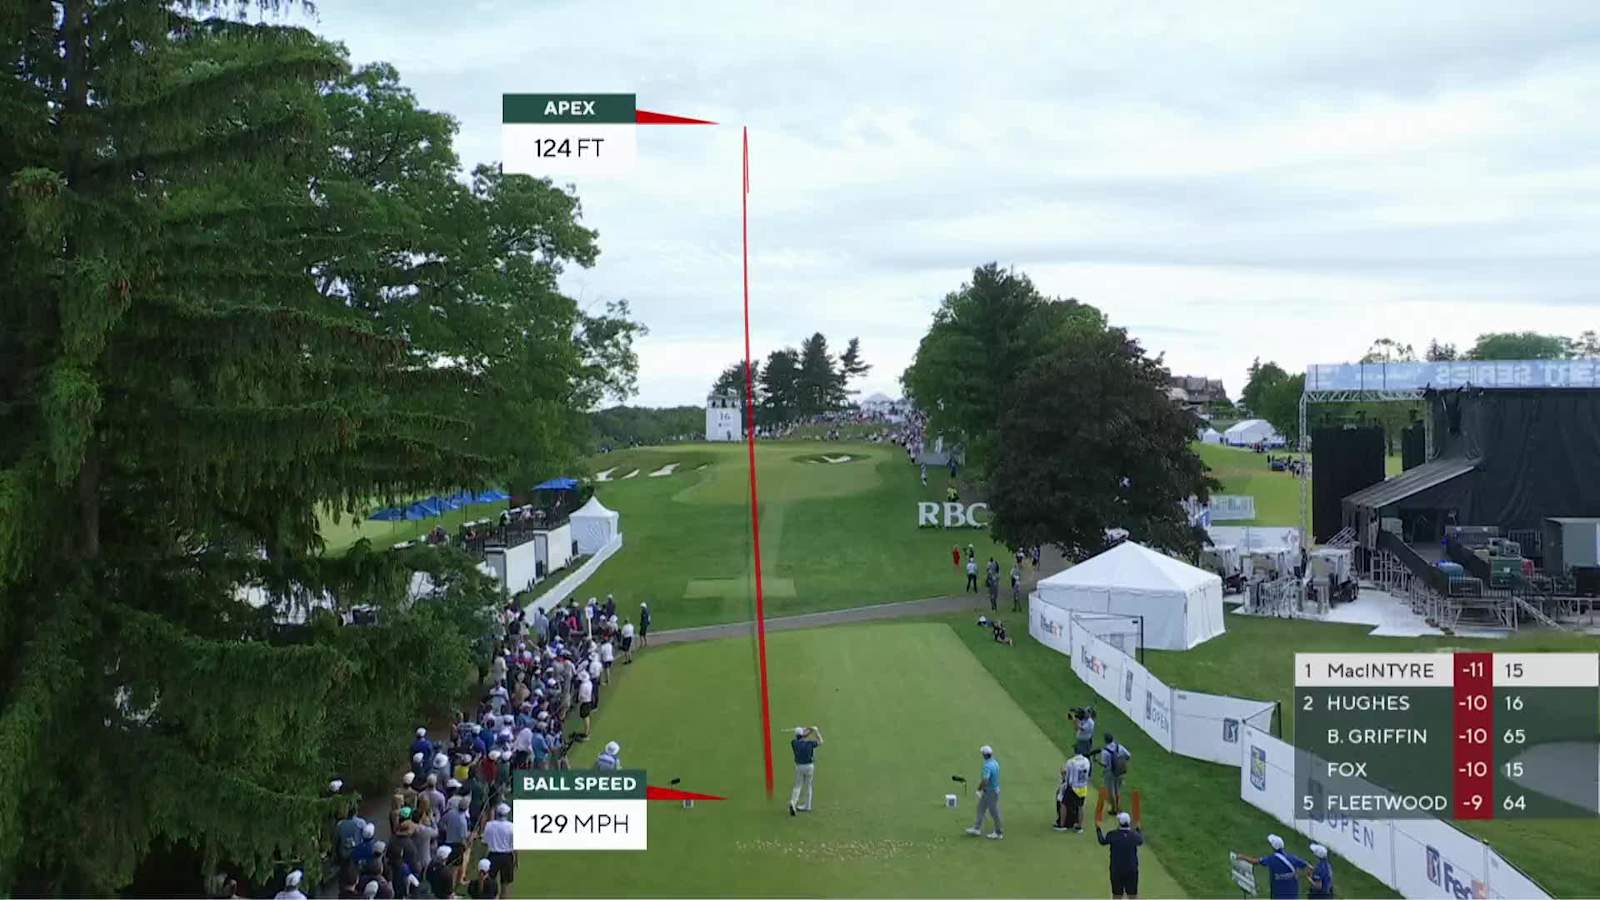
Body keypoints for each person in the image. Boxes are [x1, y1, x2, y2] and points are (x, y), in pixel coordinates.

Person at [1236, 834, 1309, 900]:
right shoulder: (1293, 858)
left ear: (1273, 847)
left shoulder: (1272, 859)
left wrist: (1243, 857)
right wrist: (1299, 875)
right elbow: (1309, 867)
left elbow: (1255, 862)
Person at [1096, 811, 1143, 899]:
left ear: (1119, 823)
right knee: (1133, 895)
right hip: (1131, 870)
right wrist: (1138, 829)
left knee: (1117, 895)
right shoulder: (1134, 836)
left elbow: (1102, 841)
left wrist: (1098, 829)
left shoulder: (1112, 835)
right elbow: (1140, 840)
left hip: (1116, 870)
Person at [964, 745, 1003, 840]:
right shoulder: (995, 763)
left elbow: (985, 780)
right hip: (990, 791)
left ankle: (998, 833)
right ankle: (977, 828)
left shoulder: (987, 766)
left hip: (991, 792)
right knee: (980, 808)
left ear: (985, 755)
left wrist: (979, 789)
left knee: (994, 812)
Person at [788, 725, 822, 815]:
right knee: (808, 785)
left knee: (797, 786)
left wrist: (809, 730)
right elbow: (821, 741)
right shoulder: (809, 744)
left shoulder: (794, 743)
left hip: (799, 767)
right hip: (809, 767)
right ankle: (807, 806)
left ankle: (793, 802)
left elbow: (802, 736)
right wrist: (815, 731)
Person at [483, 803, 517, 887]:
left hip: (492, 856)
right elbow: (515, 845)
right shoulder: (511, 826)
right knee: (504, 886)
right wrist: (516, 859)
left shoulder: (489, 825)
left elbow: (485, 843)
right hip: (506, 857)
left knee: (490, 884)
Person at [1060, 751, 1091, 832]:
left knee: (1064, 804)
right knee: (1080, 806)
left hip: (1073, 787)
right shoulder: (1086, 761)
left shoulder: (1071, 762)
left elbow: (1067, 776)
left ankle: (1062, 825)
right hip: (1083, 787)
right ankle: (1079, 827)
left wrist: (1065, 782)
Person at [1101, 734, 1131, 813]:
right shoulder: (1119, 747)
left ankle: (1114, 808)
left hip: (1110, 773)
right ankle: (1118, 807)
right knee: (1117, 790)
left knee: (1111, 791)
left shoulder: (1105, 751)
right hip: (1120, 771)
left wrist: (1097, 761)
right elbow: (1128, 755)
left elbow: (1104, 764)